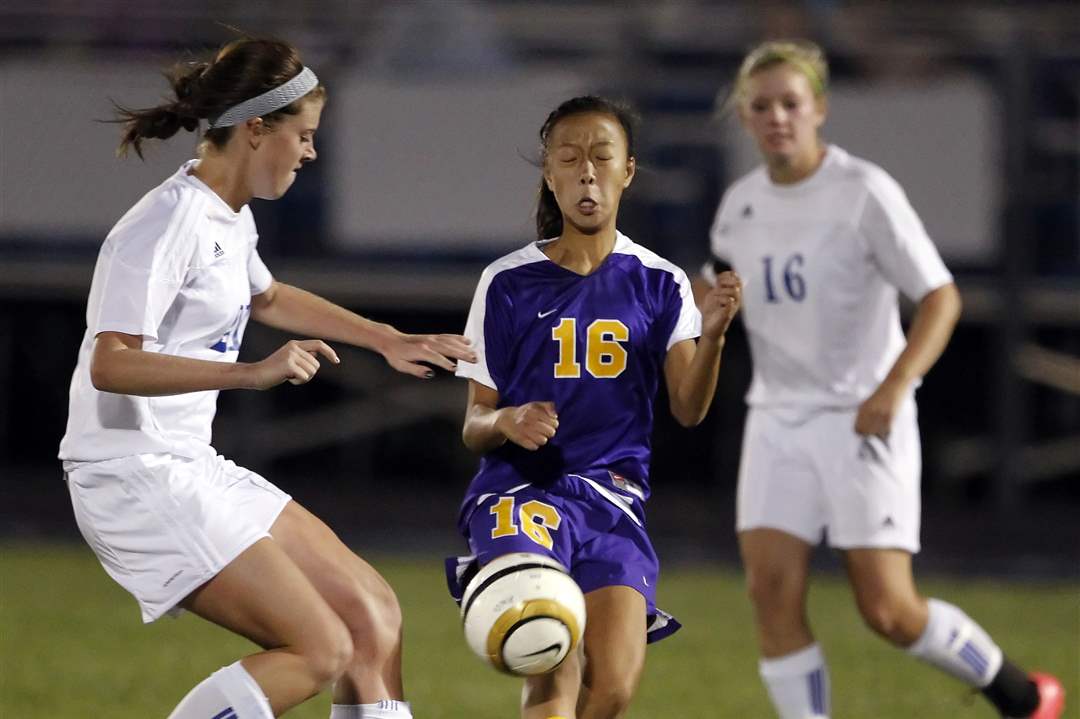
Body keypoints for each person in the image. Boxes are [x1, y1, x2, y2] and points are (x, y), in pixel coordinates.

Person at [58, 37, 475, 719]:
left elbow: (268, 298)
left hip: (187, 462)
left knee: (371, 614)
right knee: (318, 649)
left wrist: (387, 338)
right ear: (257, 129)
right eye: (303, 135)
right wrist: (251, 373)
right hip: (130, 474)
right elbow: (111, 362)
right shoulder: (165, 223)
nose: (311, 153)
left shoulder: (228, 216)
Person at [696, 39, 1065, 719]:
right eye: (762, 106)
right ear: (745, 118)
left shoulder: (862, 192)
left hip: (860, 416)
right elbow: (712, 290)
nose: (777, 116)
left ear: (820, 110)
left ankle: (1019, 693)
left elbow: (941, 298)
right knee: (769, 593)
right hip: (776, 417)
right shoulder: (738, 206)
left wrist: (893, 388)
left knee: (889, 610)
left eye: (791, 103)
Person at [446, 95, 742, 719]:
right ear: (549, 175)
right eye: (570, 158)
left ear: (627, 171)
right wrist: (505, 421)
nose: (586, 172)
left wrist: (712, 334)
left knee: (612, 687)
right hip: (521, 495)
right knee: (550, 658)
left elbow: (689, 409)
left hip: (611, 501)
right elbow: (474, 424)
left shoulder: (660, 282)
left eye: (601, 157)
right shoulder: (507, 282)